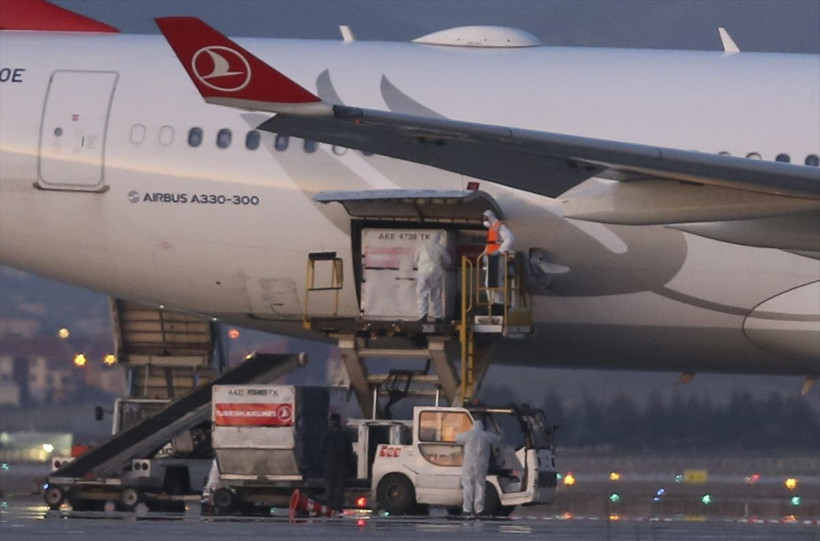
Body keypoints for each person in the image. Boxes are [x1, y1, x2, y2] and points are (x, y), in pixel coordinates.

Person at [455, 419, 500, 517]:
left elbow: (457, 438)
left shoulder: (469, 435)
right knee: (480, 485)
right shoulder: (486, 435)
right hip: (482, 463)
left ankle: (467, 509)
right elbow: (497, 439)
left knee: (468, 485)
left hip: (469, 463)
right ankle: (479, 509)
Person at [413, 231, 451, 322]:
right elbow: (448, 261)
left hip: (423, 273)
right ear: (438, 238)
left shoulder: (422, 245)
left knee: (422, 294)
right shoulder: (440, 248)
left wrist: (421, 266)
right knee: (436, 295)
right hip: (436, 272)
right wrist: (442, 266)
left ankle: (423, 316)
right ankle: (438, 317)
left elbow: (415, 259)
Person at [479, 210, 514, 305]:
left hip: (497, 258)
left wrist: (500, 251)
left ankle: (500, 303)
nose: (484, 221)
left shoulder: (500, 227)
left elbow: (510, 239)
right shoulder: (491, 229)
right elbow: (490, 244)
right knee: (489, 283)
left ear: (491, 217)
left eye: (485, 218)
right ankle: (493, 303)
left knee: (496, 282)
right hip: (491, 258)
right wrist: (484, 254)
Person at [320, 412, 353, 513]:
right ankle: (338, 507)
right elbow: (349, 451)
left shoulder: (326, 434)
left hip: (329, 463)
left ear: (331, 421)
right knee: (340, 487)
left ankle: (329, 507)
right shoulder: (344, 434)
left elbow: (322, 449)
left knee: (329, 486)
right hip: (341, 464)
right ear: (339, 421)